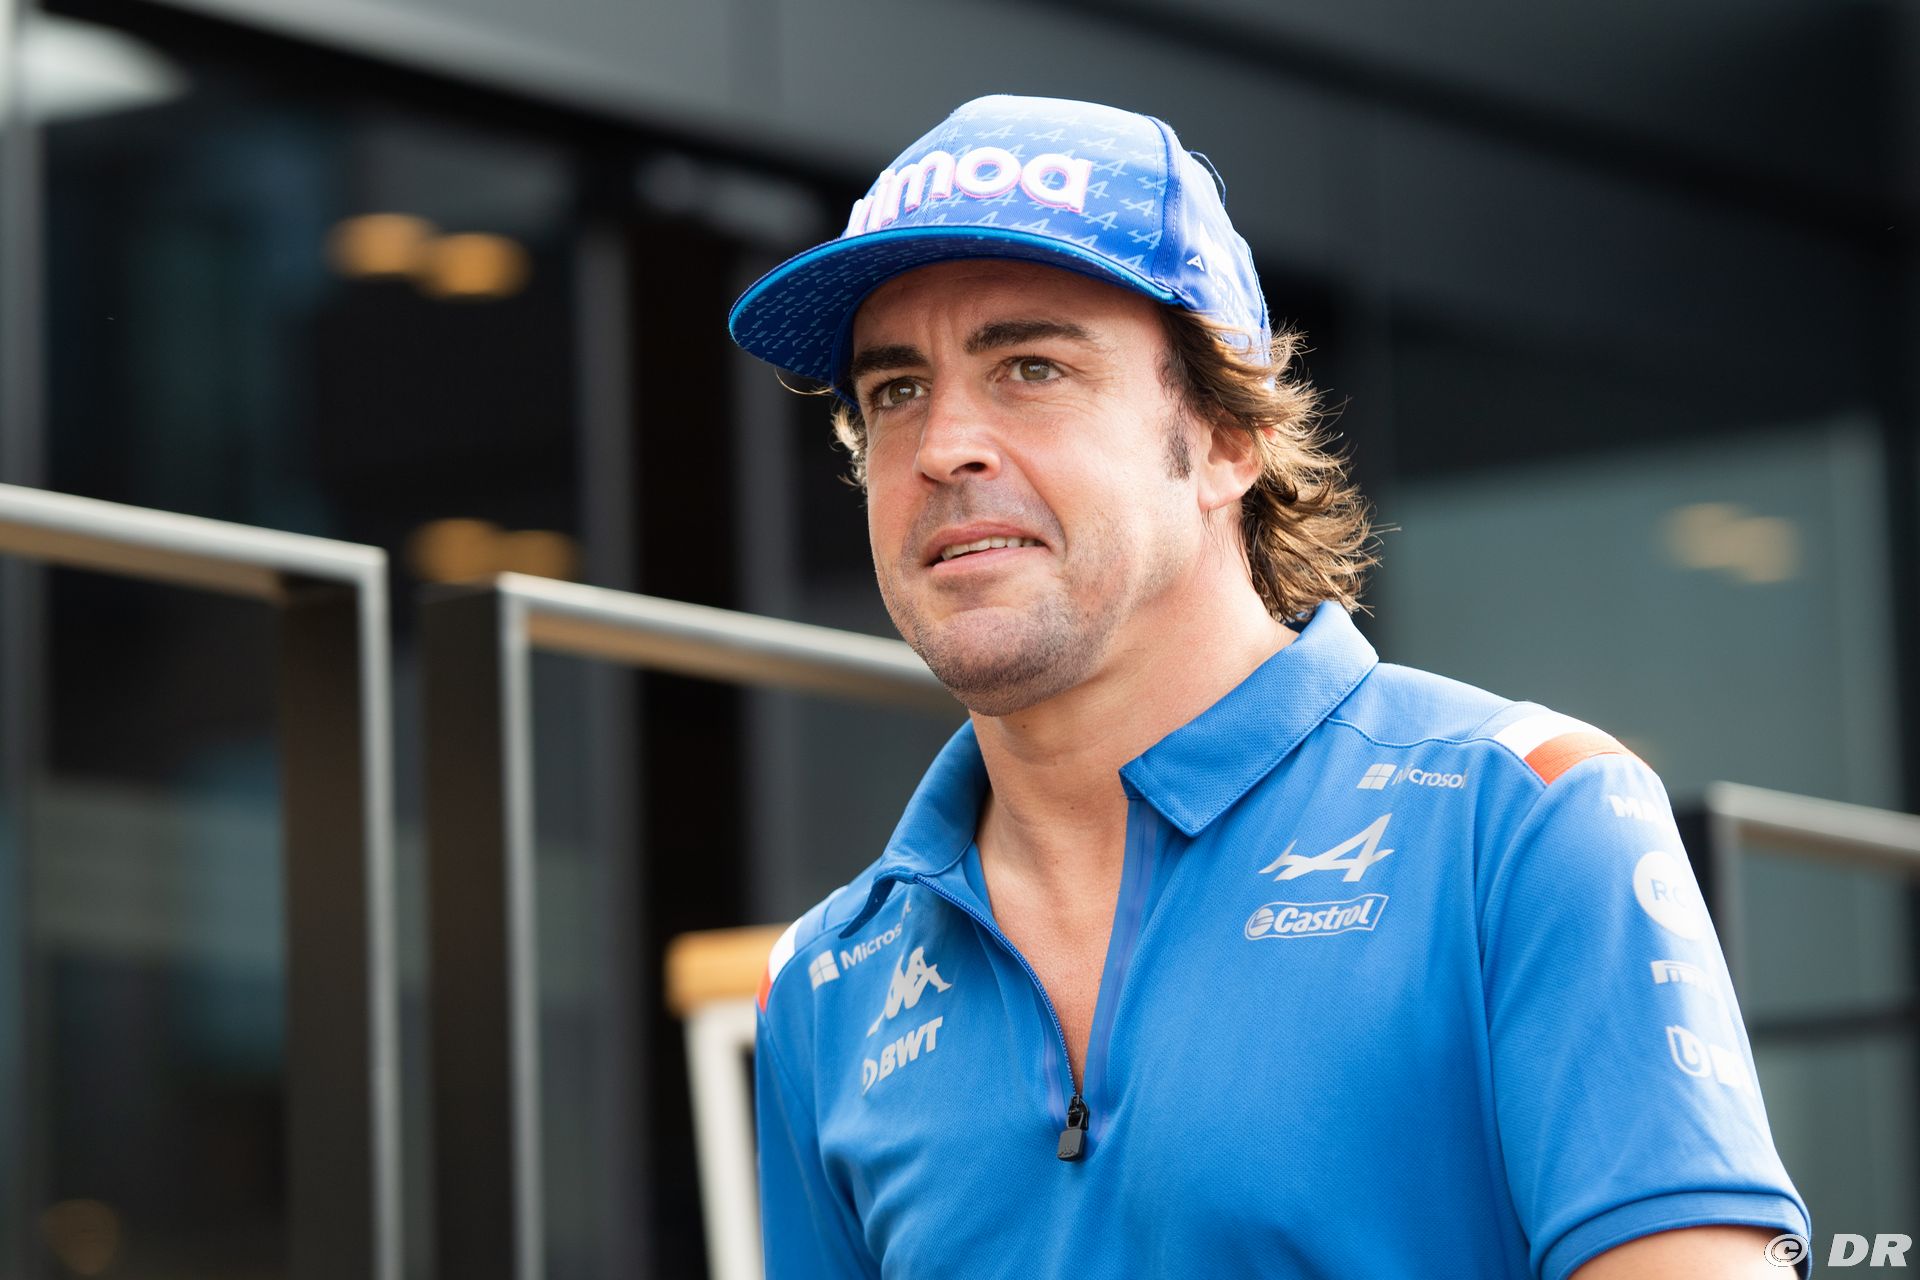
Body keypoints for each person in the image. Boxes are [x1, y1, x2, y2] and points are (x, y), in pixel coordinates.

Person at [727, 94, 1809, 1279]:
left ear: (1227, 436)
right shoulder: (823, 981)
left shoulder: (1525, 820)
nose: (943, 445)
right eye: (894, 390)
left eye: (1031, 367)